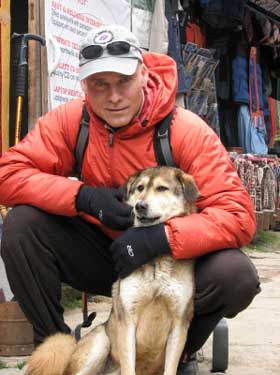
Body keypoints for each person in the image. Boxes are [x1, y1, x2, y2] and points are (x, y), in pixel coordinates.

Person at [0, 24, 260, 375]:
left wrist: (162, 238)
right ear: (84, 85)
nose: (114, 97)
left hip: (171, 263)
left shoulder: (185, 130)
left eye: (123, 81)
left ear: (144, 73)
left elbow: (238, 214)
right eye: (99, 85)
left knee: (236, 275)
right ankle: (60, 353)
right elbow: (8, 173)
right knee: (21, 225)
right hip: (103, 253)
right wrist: (82, 197)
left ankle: (177, 353)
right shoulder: (72, 121)